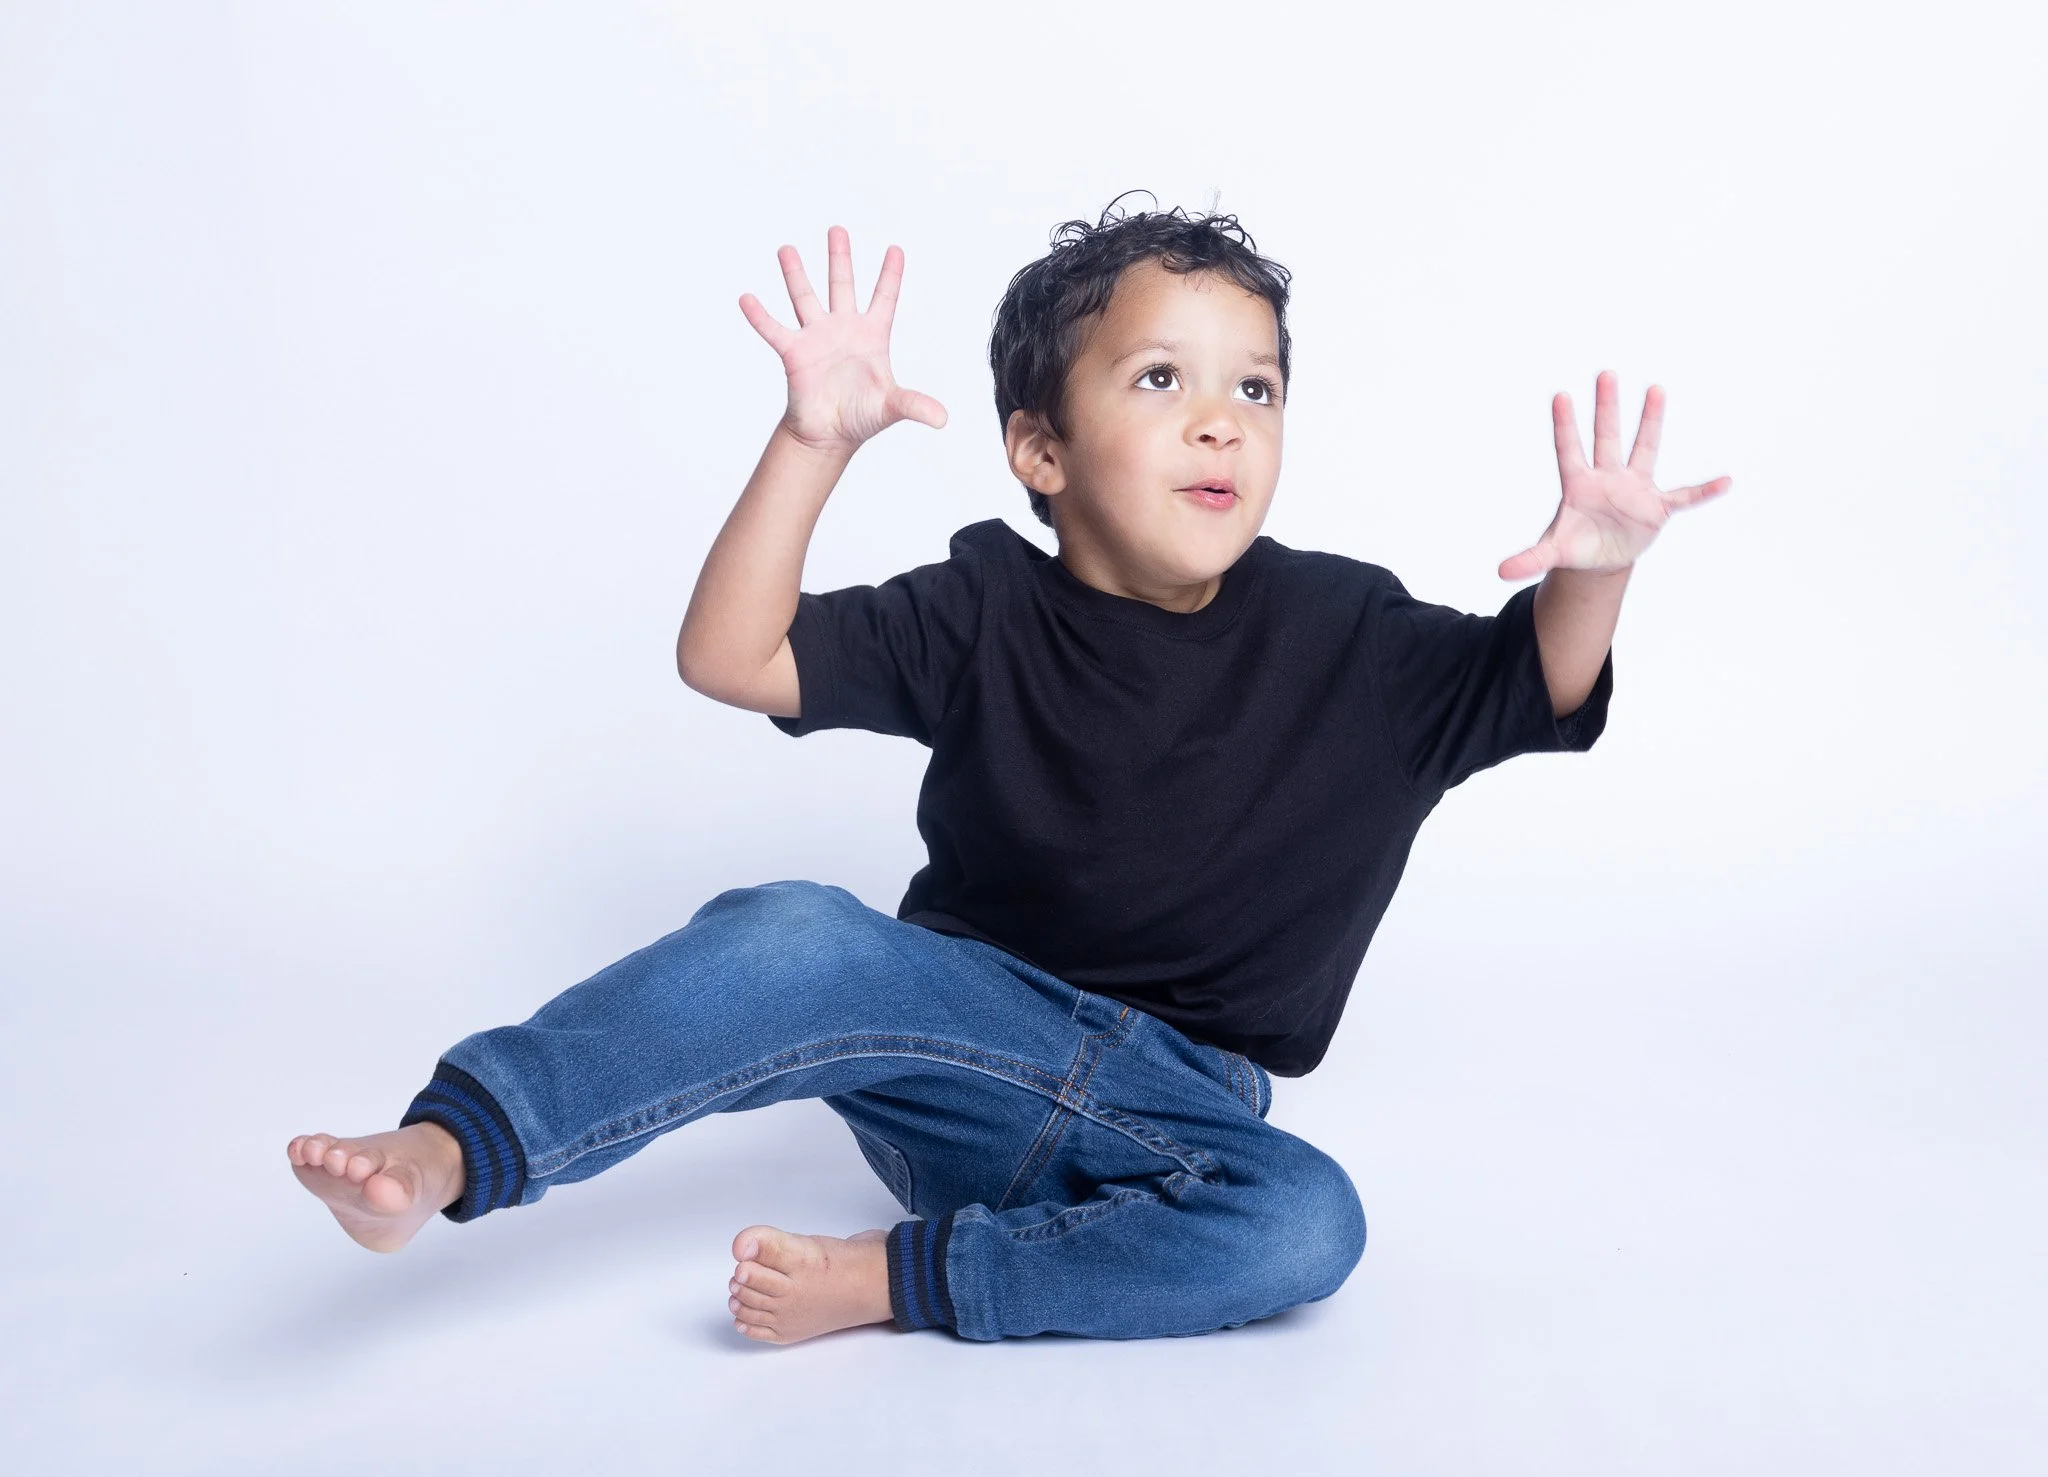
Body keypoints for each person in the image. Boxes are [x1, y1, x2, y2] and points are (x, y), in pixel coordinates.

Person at [285, 196, 1731, 1345]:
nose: (1222, 418)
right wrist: (810, 443)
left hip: (1176, 1108)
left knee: (1308, 1228)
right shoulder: (982, 604)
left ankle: (905, 1284)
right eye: (1161, 379)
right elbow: (733, 658)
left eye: (1257, 387)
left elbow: (1534, 684)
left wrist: (1594, 575)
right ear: (1039, 447)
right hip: (955, 1057)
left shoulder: (1355, 631)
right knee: (790, 928)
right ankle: (447, 1155)